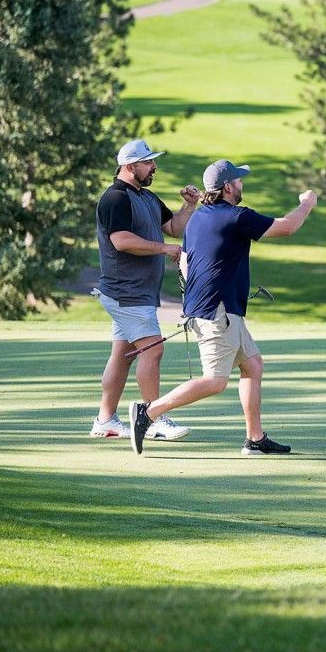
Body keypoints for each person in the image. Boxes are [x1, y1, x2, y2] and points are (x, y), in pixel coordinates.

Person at [128, 160, 318, 456]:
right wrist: (306, 204)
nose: (243, 185)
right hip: (216, 311)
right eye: (239, 181)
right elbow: (287, 227)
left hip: (217, 308)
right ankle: (149, 413)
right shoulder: (236, 216)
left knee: (252, 365)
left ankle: (255, 439)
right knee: (215, 382)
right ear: (228, 187)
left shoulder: (200, 217)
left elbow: (187, 263)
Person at [90, 139, 200, 441]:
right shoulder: (114, 199)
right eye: (148, 162)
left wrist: (190, 205)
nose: (154, 167)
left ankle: (105, 420)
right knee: (153, 348)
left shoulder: (147, 197)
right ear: (130, 166)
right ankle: (153, 419)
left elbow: (175, 228)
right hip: (125, 291)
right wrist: (165, 249)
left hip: (137, 292)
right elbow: (122, 241)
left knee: (123, 355)